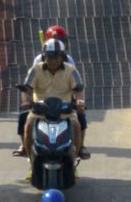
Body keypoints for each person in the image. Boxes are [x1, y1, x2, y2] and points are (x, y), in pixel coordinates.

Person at [19, 32, 86, 160]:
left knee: (76, 124)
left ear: (62, 57)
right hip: (40, 110)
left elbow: (78, 89)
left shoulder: (71, 70)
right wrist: (26, 101)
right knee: (28, 125)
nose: (53, 60)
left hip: (65, 110)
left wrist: (80, 102)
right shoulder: (35, 69)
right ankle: (31, 161)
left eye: (56, 57)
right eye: (49, 57)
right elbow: (26, 88)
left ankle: (74, 157)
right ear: (44, 57)